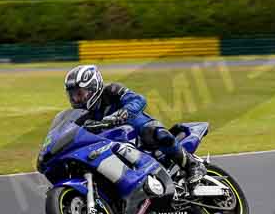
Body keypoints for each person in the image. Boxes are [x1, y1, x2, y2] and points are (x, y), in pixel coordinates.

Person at [64, 64, 207, 184]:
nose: (76, 99)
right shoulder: (82, 116)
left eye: (79, 94)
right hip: (112, 146)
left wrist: (123, 113)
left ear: (93, 88)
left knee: (151, 130)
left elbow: (139, 100)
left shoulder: (112, 91)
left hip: (134, 133)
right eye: (73, 95)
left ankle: (192, 165)